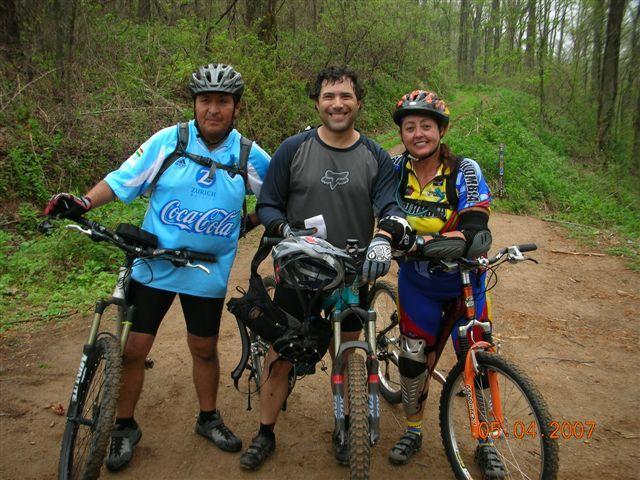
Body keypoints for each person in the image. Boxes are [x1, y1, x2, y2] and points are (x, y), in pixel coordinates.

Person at [44, 63, 271, 472]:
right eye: (206, 101)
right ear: (195, 104)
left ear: (237, 106)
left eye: (223, 101)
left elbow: (276, 198)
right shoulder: (170, 140)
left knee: (203, 348)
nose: (213, 109)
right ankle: (124, 426)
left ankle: (208, 418)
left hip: (208, 270)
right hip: (153, 265)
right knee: (134, 350)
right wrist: (83, 202)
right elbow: (123, 180)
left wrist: (249, 222)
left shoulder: (248, 154)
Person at [238, 66, 409, 471]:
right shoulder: (293, 149)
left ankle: (348, 425)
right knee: (283, 354)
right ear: (317, 102)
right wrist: (283, 230)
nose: (337, 104)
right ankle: (265, 433)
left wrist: (384, 236)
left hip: (352, 271)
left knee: (348, 351)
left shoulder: (375, 156)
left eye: (345, 97)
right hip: (300, 268)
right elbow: (268, 204)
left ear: (358, 103)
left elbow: (389, 204)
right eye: (329, 96)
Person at [385, 90, 503, 477]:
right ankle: (414, 429)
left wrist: (422, 243)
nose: (418, 133)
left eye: (426, 126)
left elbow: (475, 232)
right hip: (417, 283)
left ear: (440, 131)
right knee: (412, 359)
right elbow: (383, 216)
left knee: (478, 359)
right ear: (401, 133)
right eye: (409, 127)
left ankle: (486, 440)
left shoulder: (464, 170)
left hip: (465, 282)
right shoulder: (393, 168)